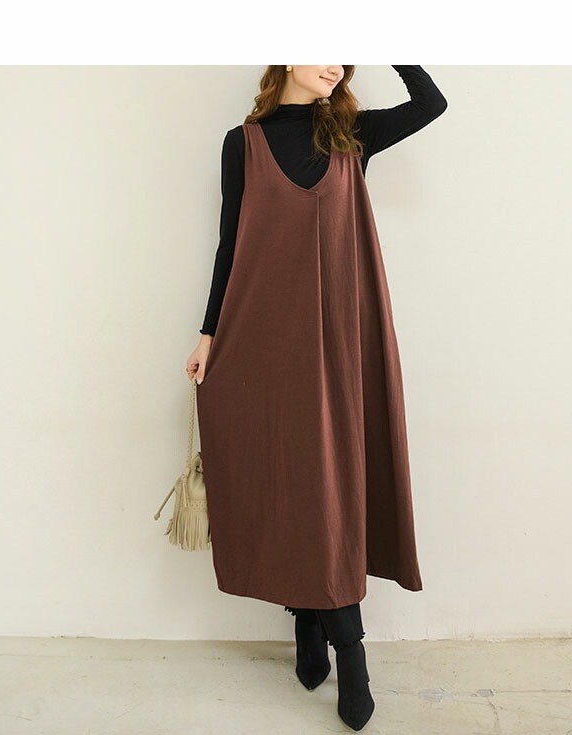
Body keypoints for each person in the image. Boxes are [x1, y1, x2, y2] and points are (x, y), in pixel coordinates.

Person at [185, 65, 447, 731]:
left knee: (328, 485)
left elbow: (431, 103)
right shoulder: (243, 143)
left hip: (339, 342)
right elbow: (230, 243)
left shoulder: (352, 136)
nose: (335, 61)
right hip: (266, 341)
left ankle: (344, 648)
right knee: (286, 480)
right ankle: (310, 619)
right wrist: (209, 333)